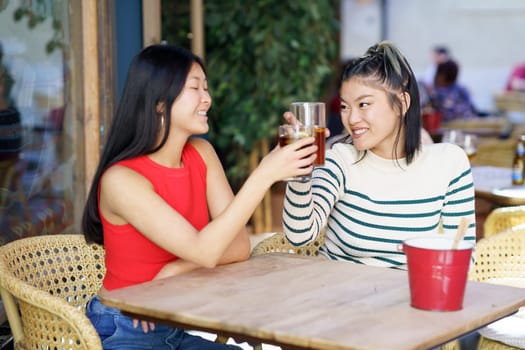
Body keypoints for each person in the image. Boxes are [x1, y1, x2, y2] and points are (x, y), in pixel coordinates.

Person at [82, 44, 317, 349]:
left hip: (176, 321)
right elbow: (206, 252)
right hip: (125, 326)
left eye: (205, 88)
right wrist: (264, 174)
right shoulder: (122, 180)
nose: (207, 98)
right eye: (195, 88)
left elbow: (238, 245)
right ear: (159, 102)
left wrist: (174, 270)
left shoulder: (201, 154)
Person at [282, 41, 476, 269]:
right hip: (338, 296)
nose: (351, 119)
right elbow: (299, 236)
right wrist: (301, 172)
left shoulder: (449, 163)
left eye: (363, 104)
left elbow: (463, 257)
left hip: (412, 299)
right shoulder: (340, 159)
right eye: (345, 107)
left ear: (402, 103)